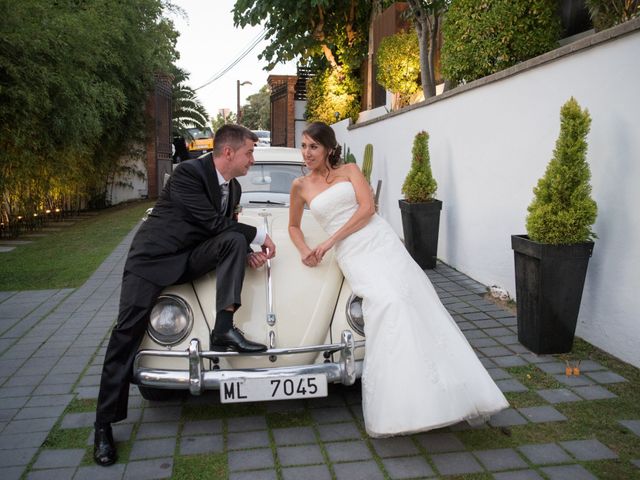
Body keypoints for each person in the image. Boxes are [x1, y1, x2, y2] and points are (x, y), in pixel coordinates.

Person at [288, 122, 509, 437]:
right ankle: (406, 399)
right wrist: (304, 250)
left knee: (411, 299)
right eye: (304, 146)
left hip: (379, 241)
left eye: (314, 146)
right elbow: (293, 227)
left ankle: (447, 389)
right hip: (354, 254)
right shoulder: (299, 186)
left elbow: (367, 209)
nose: (307, 153)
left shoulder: (350, 170)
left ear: (328, 148)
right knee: (387, 304)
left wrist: (328, 242)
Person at [93, 125, 275, 466]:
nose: (253, 158)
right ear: (228, 153)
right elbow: (211, 222)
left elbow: (226, 234)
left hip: (190, 258)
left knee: (236, 242)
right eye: (250, 152)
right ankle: (103, 426)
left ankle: (224, 328)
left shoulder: (233, 188)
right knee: (125, 334)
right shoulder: (189, 173)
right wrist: (260, 235)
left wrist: (246, 251)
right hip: (153, 259)